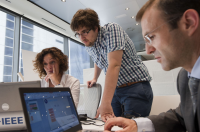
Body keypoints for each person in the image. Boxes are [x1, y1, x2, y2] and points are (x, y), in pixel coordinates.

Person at [104, 0, 200, 132]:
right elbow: (182, 116)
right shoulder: (185, 77)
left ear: (188, 23)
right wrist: (138, 125)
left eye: (151, 36)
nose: (148, 50)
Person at [70, 8, 153, 121]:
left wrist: (104, 102)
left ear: (96, 27)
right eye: (78, 34)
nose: (81, 37)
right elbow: (98, 60)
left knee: (131, 127)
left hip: (135, 87)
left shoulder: (111, 30)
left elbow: (114, 65)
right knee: (112, 125)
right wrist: (95, 78)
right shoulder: (89, 44)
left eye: (85, 32)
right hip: (116, 90)